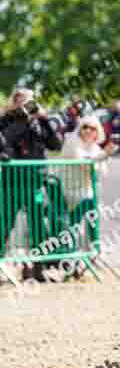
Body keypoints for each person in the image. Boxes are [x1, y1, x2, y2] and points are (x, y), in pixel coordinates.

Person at [0, 88, 63, 281]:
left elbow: (56, 145)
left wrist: (44, 120)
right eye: (22, 102)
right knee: (4, 224)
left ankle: (38, 266)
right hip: (12, 182)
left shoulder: (40, 122)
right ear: (15, 103)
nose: (27, 106)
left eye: (30, 102)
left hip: (35, 182)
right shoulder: (6, 122)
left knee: (38, 225)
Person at [61, 115, 117, 242]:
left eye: (93, 128)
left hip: (87, 190)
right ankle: (80, 248)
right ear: (80, 128)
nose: (88, 131)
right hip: (70, 188)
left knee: (93, 211)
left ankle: (92, 248)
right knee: (89, 208)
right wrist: (104, 155)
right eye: (85, 127)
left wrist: (104, 156)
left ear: (98, 132)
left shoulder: (95, 148)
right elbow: (85, 165)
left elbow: (102, 171)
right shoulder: (73, 142)